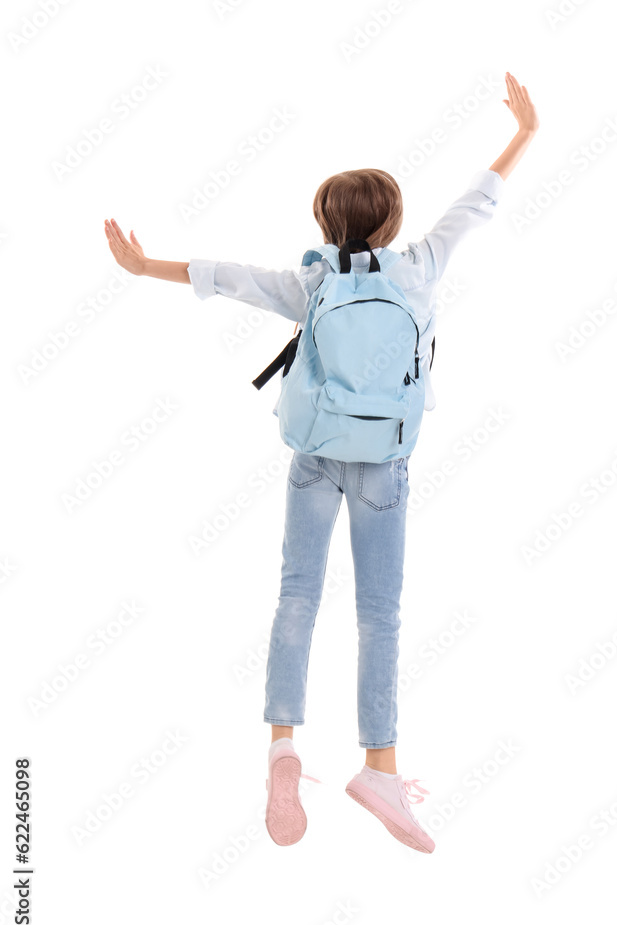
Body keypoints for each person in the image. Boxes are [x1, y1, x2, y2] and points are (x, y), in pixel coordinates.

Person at [104, 71, 539, 854]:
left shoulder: (311, 283)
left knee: (296, 597)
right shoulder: (421, 266)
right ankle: (379, 767)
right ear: (393, 220)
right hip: (384, 465)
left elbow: (225, 275)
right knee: (380, 613)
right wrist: (522, 134)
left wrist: (145, 268)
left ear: (324, 223)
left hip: (313, 455)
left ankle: (282, 746)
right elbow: (477, 202)